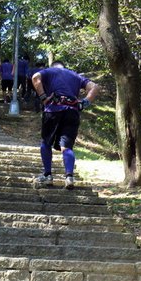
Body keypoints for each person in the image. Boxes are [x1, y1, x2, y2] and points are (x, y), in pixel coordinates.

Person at [31, 61, 100, 190]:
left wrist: (43, 97)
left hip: (53, 109)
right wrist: (84, 103)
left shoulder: (49, 71)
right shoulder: (76, 75)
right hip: (72, 112)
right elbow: (95, 87)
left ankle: (47, 175)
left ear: (53, 66)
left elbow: (35, 77)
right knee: (67, 147)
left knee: (46, 142)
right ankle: (69, 177)